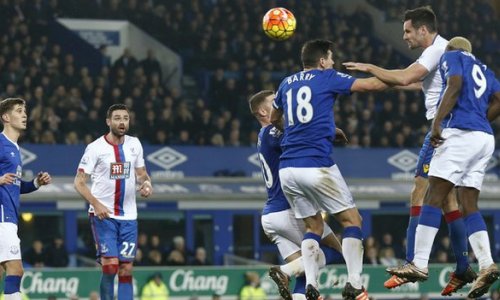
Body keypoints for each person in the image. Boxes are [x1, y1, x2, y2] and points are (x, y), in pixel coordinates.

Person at [344, 6, 473, 295]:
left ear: (423, 30)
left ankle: (414, 261)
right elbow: (416, 83)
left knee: (419, 190)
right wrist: (376, 84)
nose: (404, 37)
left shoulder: (435, 52)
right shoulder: (443, 51)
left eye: (407, 31)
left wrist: (369, 68)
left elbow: (404, 77)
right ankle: (463, 266)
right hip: (455, 130)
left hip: (443, 131)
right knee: (448, 200)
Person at [270, 39, 389, 300]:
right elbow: (372, 85)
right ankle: (355, 283)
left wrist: (306, 130)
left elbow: (274, 119)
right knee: (352, 221)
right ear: (322, 61)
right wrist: (393, 76)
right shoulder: (327, 77)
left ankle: (311, 285)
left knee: (313, 226)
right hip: (315, 164)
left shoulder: (285, 83)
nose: (333, 62)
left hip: (288, 168)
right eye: (331, 58)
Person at [388, 37, 500, 299]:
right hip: (484, 138)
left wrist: (438, 121)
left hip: (459, 134)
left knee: (432, 195)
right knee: (467, 202)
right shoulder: (485, 69)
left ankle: (419, 263)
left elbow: (455, 83)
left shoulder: (451, 56)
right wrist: (481, 119)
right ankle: (486, 264)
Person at [249, 90, 345, 300]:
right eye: (275, 101)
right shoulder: (271, 132)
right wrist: (328, 130)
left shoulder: (264, 136)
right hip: (288, 210)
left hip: (272, 216)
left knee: (305, 268)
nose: (280, 103)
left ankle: (291, 277)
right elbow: (301, 135)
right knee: (337, 252)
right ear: (264, 111)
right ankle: (284, 271)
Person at [74, 104, 153, 300]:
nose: (122, 122)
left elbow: (142, 174)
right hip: (104, 215)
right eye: (117, 118)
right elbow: (79, 182)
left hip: (129, 217)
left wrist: (147, 184)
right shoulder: (95, 148)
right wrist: (96, 203)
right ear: (108, 122)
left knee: (126, 268)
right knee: (110, 266)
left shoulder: (135, 144)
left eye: (125, 118)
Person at [0, 97, 52, 300]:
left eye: (25, 111)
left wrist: (36, 183)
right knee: (16, 269)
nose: (25, 115)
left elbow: (14, 185)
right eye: (19, 111)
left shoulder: (14, 148)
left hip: (9, 217)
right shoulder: (1, 143)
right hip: (2, 216)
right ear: (6, 117)